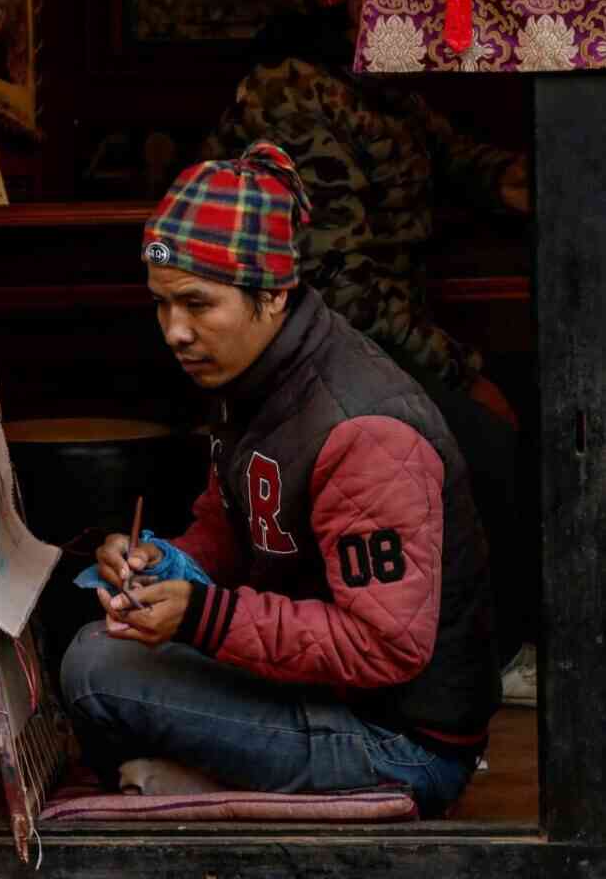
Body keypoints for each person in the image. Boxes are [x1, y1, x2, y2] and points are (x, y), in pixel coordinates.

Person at [60, 142, 501, 818]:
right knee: (101, 643)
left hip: (399, 741)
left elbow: (383, 645)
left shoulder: (363, 428)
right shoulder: (256, 376)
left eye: (197, 305)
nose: (175, 331)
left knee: (98, 673)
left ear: (273, 297)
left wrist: (203, 617)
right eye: (160, 306)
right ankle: (213, 778)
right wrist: (164, 562)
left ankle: (226, 783)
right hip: (327, 695)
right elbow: (230, 519)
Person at [202, 0, 536, 705]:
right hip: (317, 347)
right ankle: (499, 654)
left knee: (534, 408)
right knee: (482, 441)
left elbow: (464, 161)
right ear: (347, 10)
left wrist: (526, 175)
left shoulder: (383, 95)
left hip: (378, 339)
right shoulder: (292, 96)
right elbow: (340, 282)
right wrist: (460, 371)